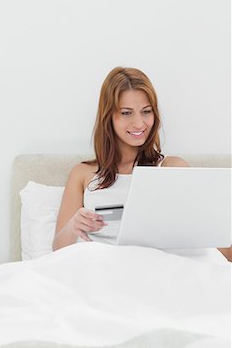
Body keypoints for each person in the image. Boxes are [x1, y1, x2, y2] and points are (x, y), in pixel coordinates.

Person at [52, 67, 232, 261]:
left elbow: (216, 248)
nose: (139, 123)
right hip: (101, 269)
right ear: (109, 117)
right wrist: (73, 225)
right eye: (126, 113)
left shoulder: (171, 169)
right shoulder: (83, 173)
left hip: (156, 269)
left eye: (146, 111)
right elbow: (57, 253)